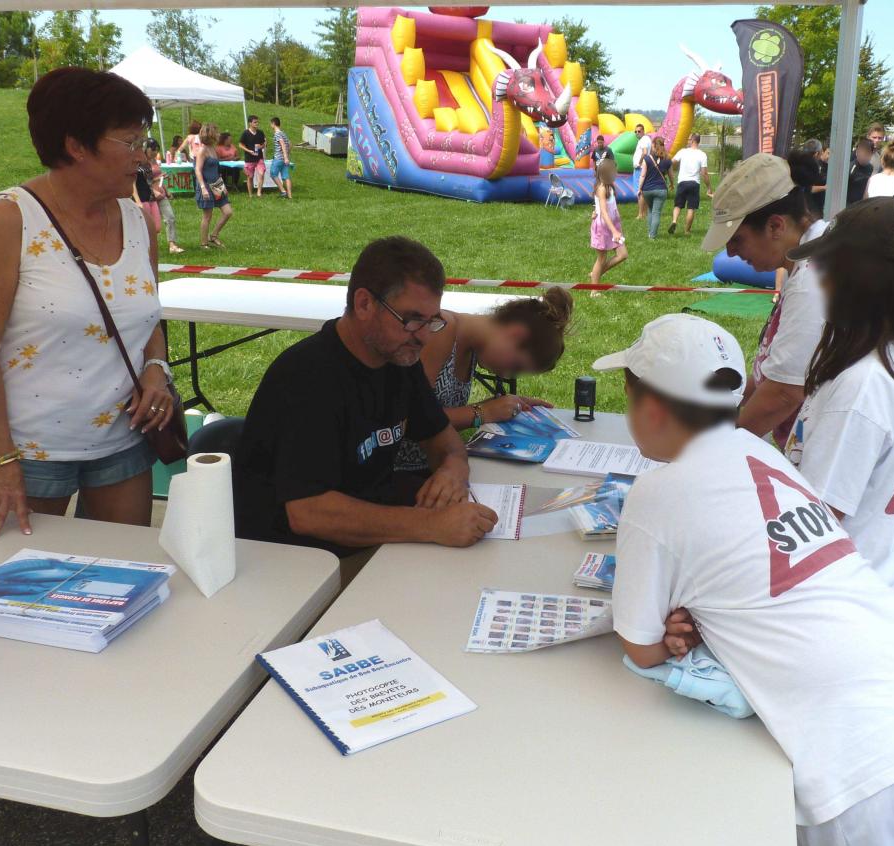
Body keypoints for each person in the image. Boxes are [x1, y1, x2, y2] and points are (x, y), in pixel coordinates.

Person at [593, 313, 894, 846]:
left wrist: (680, 624)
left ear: (649, 408)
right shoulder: (761, 452)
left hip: (856, 766)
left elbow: (643, 647)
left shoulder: (658, 492)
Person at [0, 67, 175, 540]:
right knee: (24, 590)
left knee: (120, 579)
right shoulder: (12, 218)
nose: (143, 157)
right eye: (130, 142)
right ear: (77, 145)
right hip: (31, 454)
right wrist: (1, 461)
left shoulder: (139, 222)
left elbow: (146, 318)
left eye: (145, 142)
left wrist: (157, 368)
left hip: (123, 444)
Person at [233, 236, 498, 557]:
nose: (424, 337)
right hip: (297, 561)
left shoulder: (399, 358)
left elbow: (444, 441)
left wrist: (453, 470)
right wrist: (430, 524)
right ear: (364, 304)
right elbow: (308, 513)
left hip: (370, 539)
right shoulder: (306, 378)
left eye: (432, 321)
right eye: (412, 320)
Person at [782, 197, 894, 607]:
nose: (817, 279)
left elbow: (814, 530)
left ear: (862, 279)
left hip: (844, 602)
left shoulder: (861, 388)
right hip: (871, 579)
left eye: (825, 267)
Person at [701, 154, 825, 448]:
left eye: (737, 239)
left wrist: (715, 448)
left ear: (776, 227)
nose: (730, 253)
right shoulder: (805, 258)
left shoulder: (812, 281)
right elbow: (779, 367)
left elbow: (785, 392)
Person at [394, 288, 574, 473]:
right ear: (515, 334)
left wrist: (496, 406)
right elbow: (409, 418)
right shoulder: (441, 331)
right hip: (395, 473)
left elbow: (433, 410)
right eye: (516, 367)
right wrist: (482, 412)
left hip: (433, 468)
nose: (505, 375)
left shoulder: (469, 346)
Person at [193, 122, 233, 249]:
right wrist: (203, 188)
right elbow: (198, 170)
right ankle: (204, 243)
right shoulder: (202, 150)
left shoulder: (213, 149)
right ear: (210, 134)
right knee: (207, 216)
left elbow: (216, 170)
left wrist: (222, 185)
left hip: (216, 184)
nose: (219, 134)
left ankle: (214, 236)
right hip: (206, 185)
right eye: (216, 132)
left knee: (228, 212)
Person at [590, 157, 627, 284]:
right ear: (607, 173)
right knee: (601, 259)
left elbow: (601, 207)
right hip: (604, 227)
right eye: (614, 171)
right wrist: (614, 231)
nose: (616, 173)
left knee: (623, 255)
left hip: (612, 225)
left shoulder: (609, 187)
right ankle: (594, 290)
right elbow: (604, 212)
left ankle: (596, 274)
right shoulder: (601, 188)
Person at [145, 138, 184, 255]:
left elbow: (159, 176)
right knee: (152, 223)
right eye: (153, 150)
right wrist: (154, 187)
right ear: (147, 149)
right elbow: (144, 181)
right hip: (150, 195)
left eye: (157, 151)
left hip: (161, 193)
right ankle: (148, 246)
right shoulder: (142, 162)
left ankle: (172, 244)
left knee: (170, 217)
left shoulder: (154, 161)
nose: (155, 153)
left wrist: (166, 191)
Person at [669, 134, 711, 235]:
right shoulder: (702, 155)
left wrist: (672, 169)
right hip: (694, 183)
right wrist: (709, 187)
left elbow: (672, 161)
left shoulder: (683, 152)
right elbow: (704, 173)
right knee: (691, 208)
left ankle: (674, 221)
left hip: (682, 182)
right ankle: (687, 231)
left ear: (693, 141)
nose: (687, 141)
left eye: (688, 139)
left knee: (678, 205)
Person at [638, 136, 673, 240]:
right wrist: (672, 184)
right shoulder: (667, 159)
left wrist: (639, 188)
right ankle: (652, 236)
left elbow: (643, 175)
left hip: (647, 190)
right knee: (656, 212)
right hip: (661, 190)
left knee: (650, 210)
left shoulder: (647, 159)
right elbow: (671, 175)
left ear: (653, 145)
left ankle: (650, 232)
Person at [788, 139, 827, 216]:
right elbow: (807, 188)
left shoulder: (794, 164)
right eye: (821, 151)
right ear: (816, 154)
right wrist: (825, 187)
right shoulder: (809, 168)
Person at [239, 114, 267, 198]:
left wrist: (261, 146)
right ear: (250, 123)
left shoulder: (260, 132)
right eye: (255, 122)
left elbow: (264, 143)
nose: (257, 124)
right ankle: (250, 194)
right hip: (249, 158)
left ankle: (259, 192)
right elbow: (240, 144)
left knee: (261, 174)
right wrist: (249, 151)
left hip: (259, 158)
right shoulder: (245, 133)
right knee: (250, 177)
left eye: (257, 122)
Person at [631, 123, 653, 219]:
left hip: (639, 169)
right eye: (635, 131)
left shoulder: (644, 140)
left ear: (643, 131)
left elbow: (644, 152)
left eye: (639, 131)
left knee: (639, 191)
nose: (637, 133)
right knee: (644, 191)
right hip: (644, 167)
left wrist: (639, 162)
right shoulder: (647, 139)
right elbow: (649, 152)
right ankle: (645, 213)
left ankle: (640, 214)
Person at [846, 138, 875, 206]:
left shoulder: (870, 167)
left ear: (871, 154)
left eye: (866, 154)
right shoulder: (850, 167)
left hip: (861, 204)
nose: (863, 157)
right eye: (861, 153)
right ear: (857, 153)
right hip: (848, 204)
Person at [269, 116, 293, 199]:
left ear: (273, 124)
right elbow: (290, 144)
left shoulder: (277, 133)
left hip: (278, 158)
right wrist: (287, 155)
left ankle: (283, 191)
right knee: (286, 176)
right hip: (284, 159)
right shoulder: (283, 133)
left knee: (273, 174)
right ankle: (290, 196)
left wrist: (285, 157)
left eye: (271, 124)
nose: (270, 126)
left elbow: (282, 144)